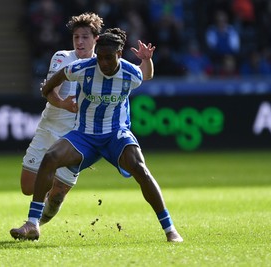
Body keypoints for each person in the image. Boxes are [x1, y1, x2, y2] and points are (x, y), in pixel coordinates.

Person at [10, 28, 183, 242]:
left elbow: (146, 75)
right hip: (84, 136)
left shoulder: (129, 73)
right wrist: (60, 101)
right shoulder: (82, 68)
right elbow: (48, 86)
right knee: (51, 157)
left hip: (115, 134)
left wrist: (147, 60)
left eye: (109, 58)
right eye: (100, 57)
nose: (104, 63)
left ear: (119, 54)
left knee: (140, 168)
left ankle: (170, 229)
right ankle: (32, 224)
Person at [19, 13, 104, 223]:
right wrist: (63, 103)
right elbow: (50, 90)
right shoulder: (62, 57)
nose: (80, 42)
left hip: (76, 137)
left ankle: (35, 223)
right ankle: (46, 192)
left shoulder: (103, 64)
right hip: (49, 128)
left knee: (56, 198)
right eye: (76, 37)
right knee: (27, 187)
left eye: (85, 37)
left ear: (96, 39)